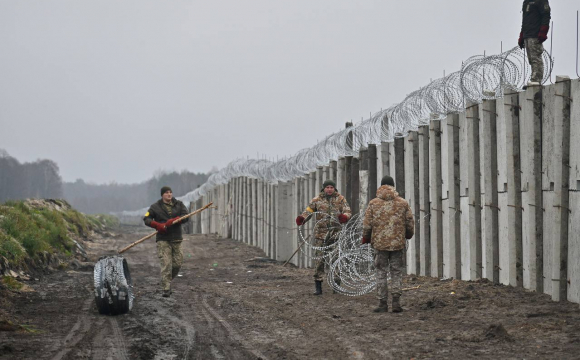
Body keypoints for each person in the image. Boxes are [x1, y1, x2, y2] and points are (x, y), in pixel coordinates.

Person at [362, 176, 414, 313]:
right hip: (397, 243)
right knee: (396, 272)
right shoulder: (402, 203)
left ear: (381, 186)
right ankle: (396, 302)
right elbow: (409, 221)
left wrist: (366, 237)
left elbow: (367, 224)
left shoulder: (373, 203)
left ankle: (382, 303)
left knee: (381, 272)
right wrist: (408, 234)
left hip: (379, 244)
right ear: (393, 186)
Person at [296, 179, 351, 295]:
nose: (329, 189)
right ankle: (318, 286)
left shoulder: (340, 199)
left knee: (336, 259)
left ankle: (336, 285)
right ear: (324, 188)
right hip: (321, 235)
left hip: (335, 234)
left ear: (334, 188)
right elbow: (308, 211)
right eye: (327, 187)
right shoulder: (317, 200)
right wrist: (302, 219)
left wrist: (344, 217)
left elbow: (347, 210)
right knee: (319, 260)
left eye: (331, 187)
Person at [143, 186, 190, 298]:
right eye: (166, 193)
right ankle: (166, 288)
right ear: (162, 195)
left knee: (177, 264)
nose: (169, 194)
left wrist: (176, 220)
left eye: (170, 192)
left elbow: (186, 216)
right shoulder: (155, 207)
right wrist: (157, 225)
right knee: (166, 263)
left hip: (176, 238)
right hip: (163, 239)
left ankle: (166, 280)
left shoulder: (179, 204)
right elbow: (146, 219)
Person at [518, 0, 551, 87]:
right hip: (527, 34)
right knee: (531, 59)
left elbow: (546, 16)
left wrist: (543, 32)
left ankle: (536, 81)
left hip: (535, 35)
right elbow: (524, 21)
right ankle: (533, 80)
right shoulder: (526, 2)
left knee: (536, 58)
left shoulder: (541, 1)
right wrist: (522, 35)